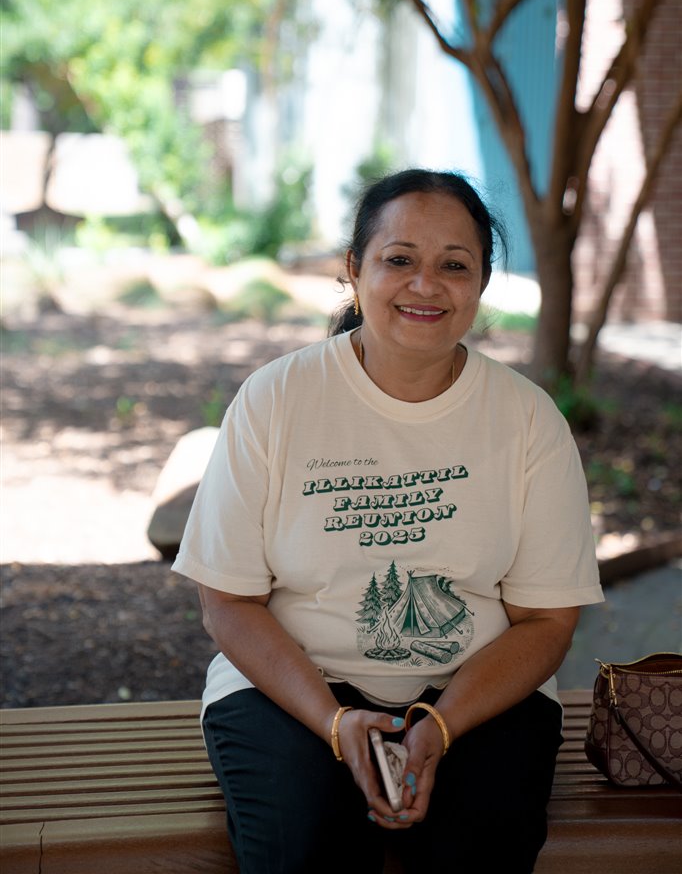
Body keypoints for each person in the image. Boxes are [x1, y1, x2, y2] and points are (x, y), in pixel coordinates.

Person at [172, 168, 604, 874]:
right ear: (354, 269)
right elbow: (227, 602)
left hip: (476, 694)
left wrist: (442, 724)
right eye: (399, 259)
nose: (425, 285)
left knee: (478, 848)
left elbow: (547, 623)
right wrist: (335, 723)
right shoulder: (276, 399)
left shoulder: (527, 419)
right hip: (291, 691)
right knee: (299, 847)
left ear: (482, 282)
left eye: (454, 265)